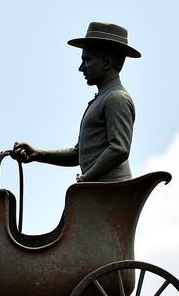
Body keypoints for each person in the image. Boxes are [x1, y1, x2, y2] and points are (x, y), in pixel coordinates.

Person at [12, 22, 141, 182]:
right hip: (97, 192)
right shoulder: (102, 99)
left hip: (111, 193)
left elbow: (119, 149)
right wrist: (37, 155)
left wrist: (87, 178)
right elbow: (78, 154)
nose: (81, 68)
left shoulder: (116, 98)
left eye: (87, 60)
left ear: (106, 62)